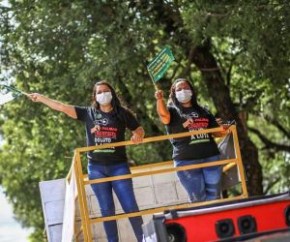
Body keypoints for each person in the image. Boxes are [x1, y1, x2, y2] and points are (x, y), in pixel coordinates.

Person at [29, 80, 144, 242]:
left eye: (106, 91)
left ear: (112, 93)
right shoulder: (88, 113)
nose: (103, 94)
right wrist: (41, 98)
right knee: (106, 210)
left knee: (130, 206)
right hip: (96, 168)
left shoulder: (123, 113)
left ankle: (145, 239)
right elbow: (61, 107)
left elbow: (138, 129)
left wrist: (138, 134)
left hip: (119, 166)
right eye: (99, 92)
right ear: (95, 96)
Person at [154, 78, 226, 202]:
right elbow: (164, 116)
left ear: (192, 91)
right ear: (174, 93)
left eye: (186, 88)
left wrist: (225, 128)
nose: (183, 91)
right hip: (186, 162)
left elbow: (216, 131)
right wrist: (160, 100)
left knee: (214, 197)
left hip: (211, 158)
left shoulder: (204, 110)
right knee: (198, 199)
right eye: (179, 89)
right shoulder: (172, 111)